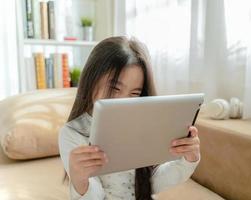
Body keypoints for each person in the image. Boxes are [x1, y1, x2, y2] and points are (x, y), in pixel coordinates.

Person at [59, 36, 201, 200]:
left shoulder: (141, 123)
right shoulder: (73, 133)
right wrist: (80, 180)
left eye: (134, 93)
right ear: (91, 80)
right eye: (114, 88)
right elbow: (95, 196)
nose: (123, 101)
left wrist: (188, 160)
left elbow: (152, 183)